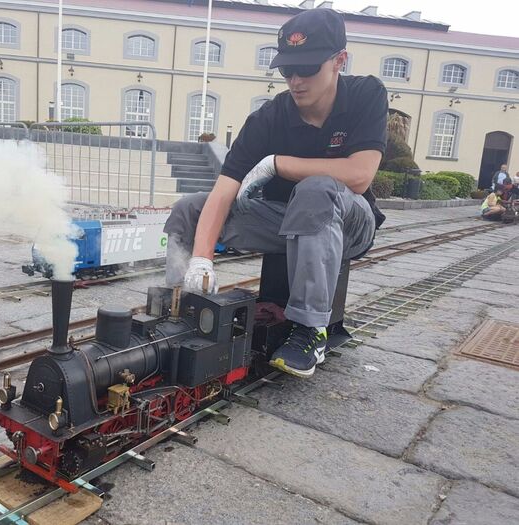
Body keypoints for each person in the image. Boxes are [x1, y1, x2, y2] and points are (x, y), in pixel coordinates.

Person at [164, 8, 387, 378]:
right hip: (285, 222)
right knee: (191, 207)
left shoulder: (366, 94)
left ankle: (310, 328)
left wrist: (278, 164)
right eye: (287, 71)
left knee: (315, 190)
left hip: (349, 224)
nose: (296, 80)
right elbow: (224, 191)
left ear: (339, 61)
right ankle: (179, 305)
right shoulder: (268, 117)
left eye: (308, 69)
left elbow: (360, 175)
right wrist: (201, 259)